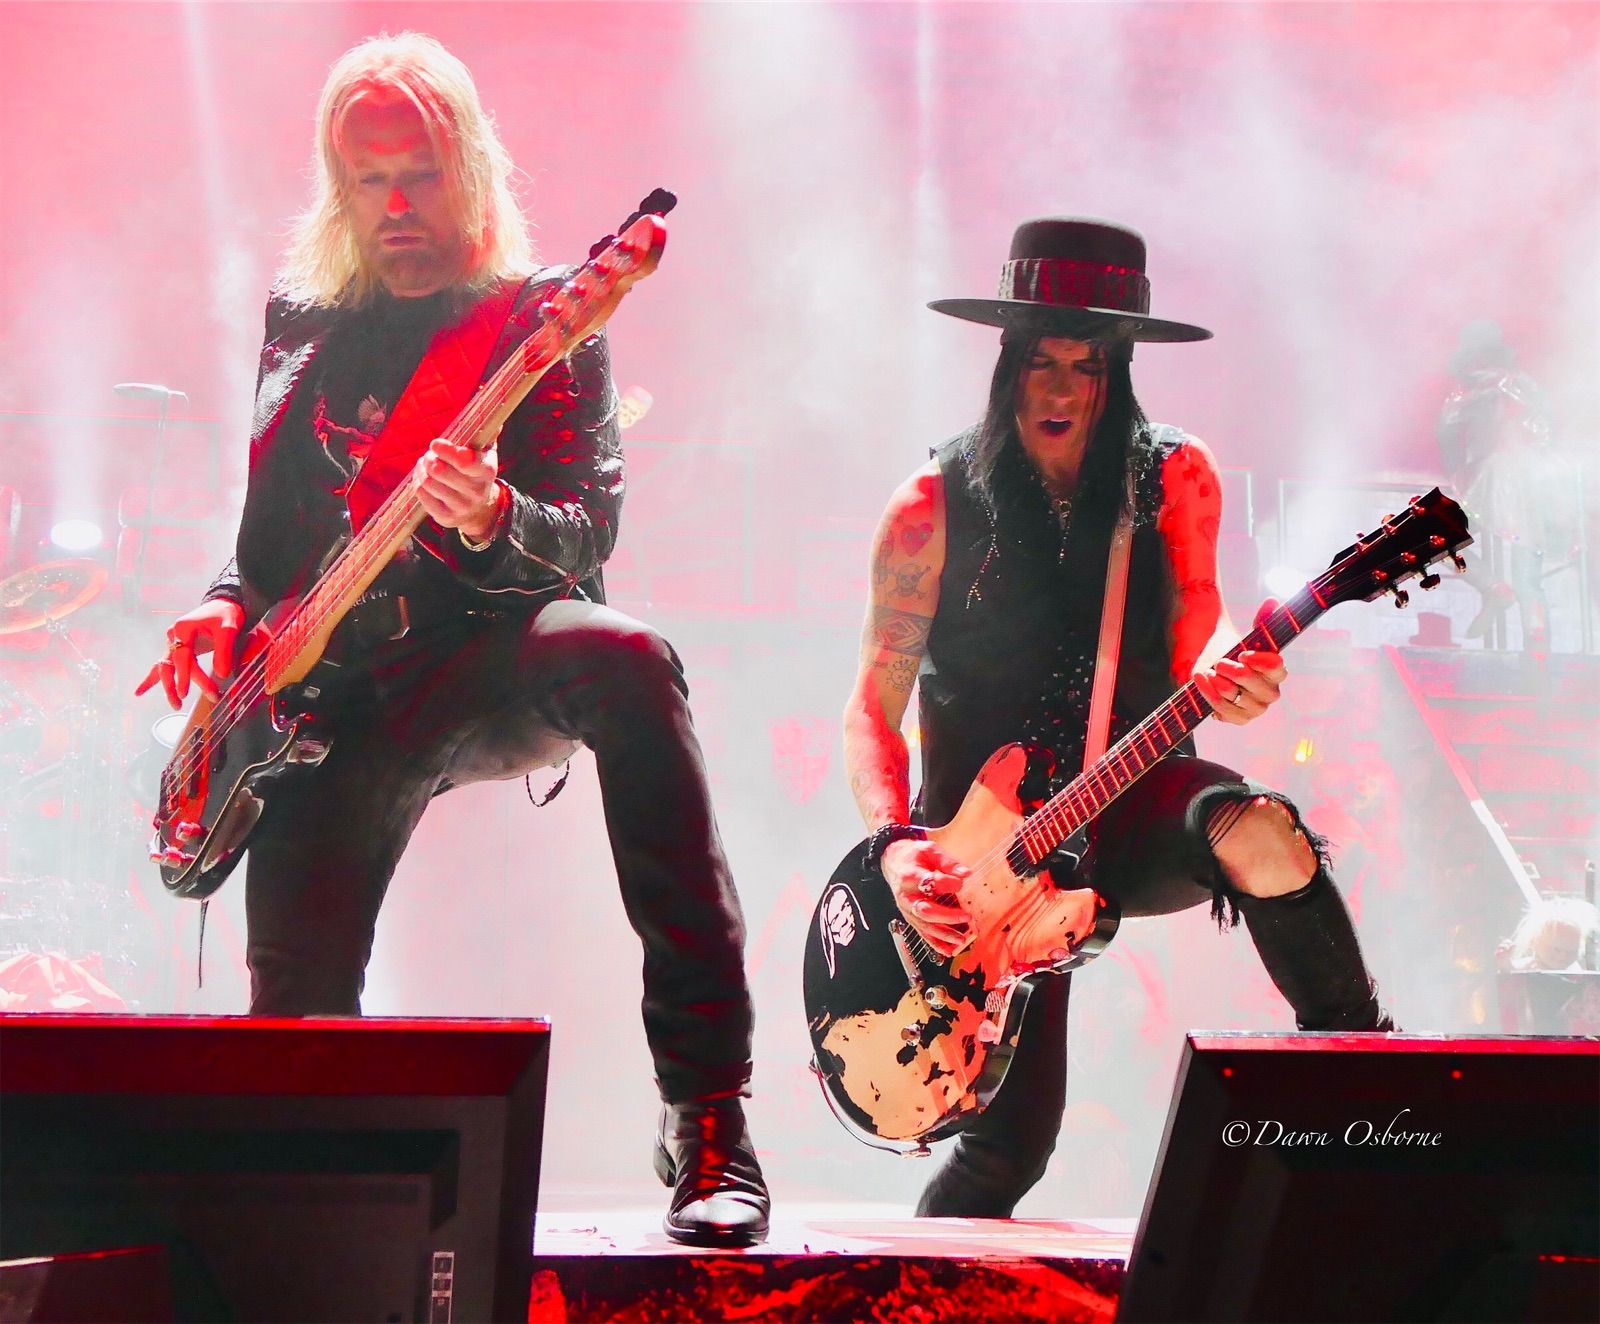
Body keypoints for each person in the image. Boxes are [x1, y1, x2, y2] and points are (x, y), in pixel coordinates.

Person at [136, 33, 768, 1247]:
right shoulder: (302, 320)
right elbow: (276, 530)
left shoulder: (540, 318)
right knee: (294, 1025)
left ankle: (708, 1111)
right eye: (368, 179)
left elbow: (584, 532)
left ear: (467, 167)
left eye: (418, 173)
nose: (395, 206)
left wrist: (491, 517)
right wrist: (223, 603)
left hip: (483, 654)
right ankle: (315, 1243)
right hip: (333, 697)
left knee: (630, 661)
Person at [842, 218, 1394, 1218]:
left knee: (1260, 829)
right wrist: (891, 847)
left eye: (1087, 367)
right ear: (1007, 362)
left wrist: (1229, 668)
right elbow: (873, 707)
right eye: (1041, 362)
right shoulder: (929, 506)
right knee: (1007, 1153)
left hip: (1129, 796)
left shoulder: (1173, 475)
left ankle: (1364, 1072)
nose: (1060, 390)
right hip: (989, 865)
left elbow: (1198, 629)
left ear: (1121, 371)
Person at [1435, 320, 1581, 656]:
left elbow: (1446, 433)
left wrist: (1459, 468)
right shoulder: (1525, 384)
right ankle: (1536, 637)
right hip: (1535, 479)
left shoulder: (1469, 389)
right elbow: (1550, 426)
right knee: (1527, 566)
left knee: (1441, 537)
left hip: (1493, 476)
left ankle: (1492, 587)